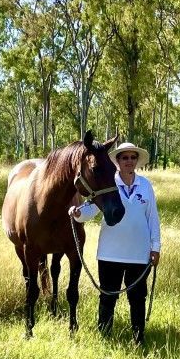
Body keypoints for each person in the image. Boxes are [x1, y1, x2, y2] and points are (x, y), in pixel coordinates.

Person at [69, 140, 162, 347]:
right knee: (107, 296)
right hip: (110, 253)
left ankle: (139, 338)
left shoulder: (145, 186)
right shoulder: (107, 182)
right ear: (117, 161)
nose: (129, 161)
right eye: (124, 157)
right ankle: (104, 336)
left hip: (139, 253)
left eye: (132, 157)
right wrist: (77, 213)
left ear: (137, 161)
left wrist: (155, 247)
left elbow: (152, 218)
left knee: (138, 298)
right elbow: (90, 210)